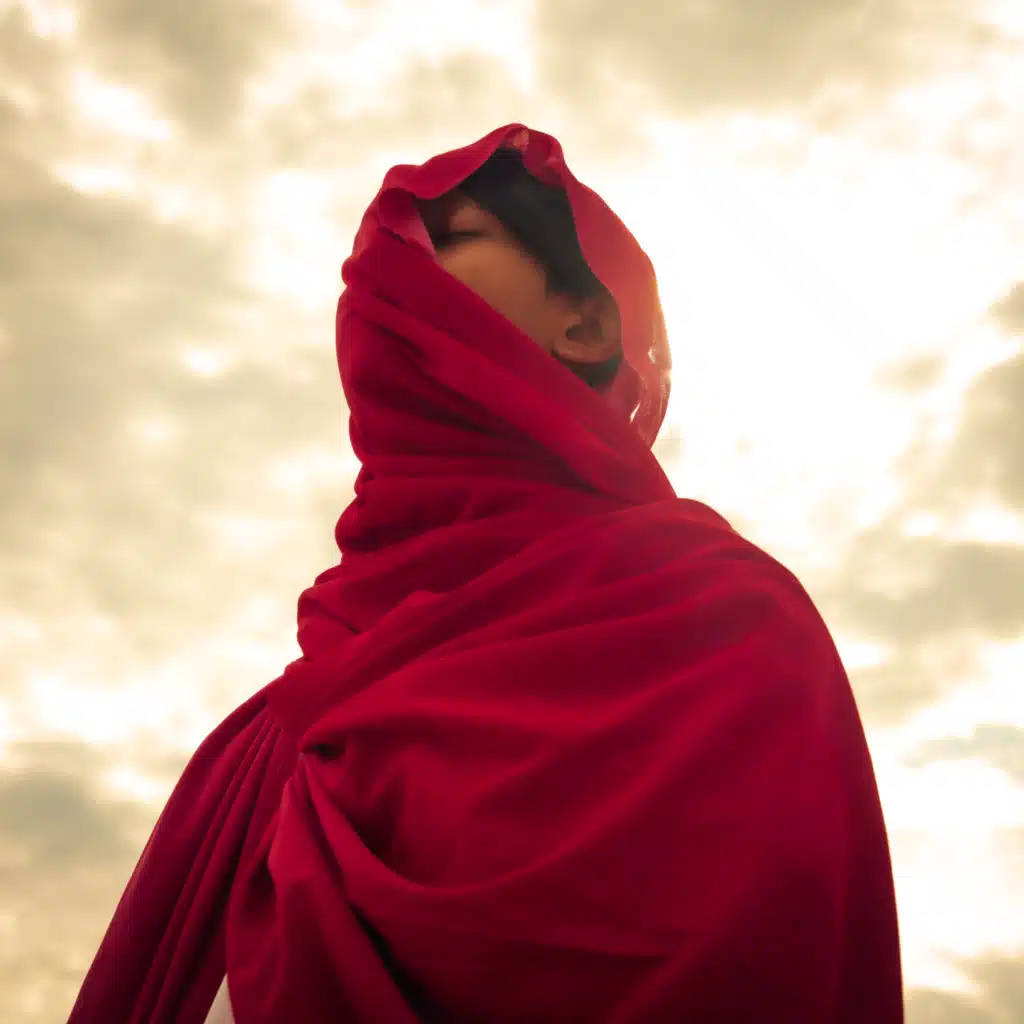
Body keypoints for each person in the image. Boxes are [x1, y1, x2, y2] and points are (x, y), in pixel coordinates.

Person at [70, 124, 904, 1023]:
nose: (385, 265)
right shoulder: (259, 747)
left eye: (453, 237)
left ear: (584, 323)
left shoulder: (728, 629)